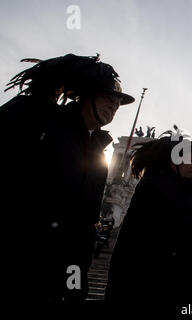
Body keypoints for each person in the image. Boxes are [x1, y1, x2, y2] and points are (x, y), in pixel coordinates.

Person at [0, 53, 134, 300]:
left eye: (118, 103)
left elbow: (83, 228)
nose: (114, 106)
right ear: (86, 94)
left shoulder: (98, 158)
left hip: (56, 275)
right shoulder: (37, 118)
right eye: (108, 97)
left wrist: (76, 286)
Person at [105, 135, 192, 302]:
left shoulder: (186, 193)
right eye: (191, 159)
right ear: (173, 161)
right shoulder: (155, 188)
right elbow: (134, 246)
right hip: (159, 289)